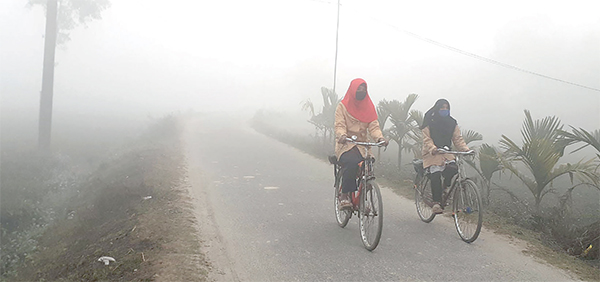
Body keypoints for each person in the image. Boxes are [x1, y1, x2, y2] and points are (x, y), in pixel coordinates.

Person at [334, 78, 388, 209]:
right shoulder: (342, 106)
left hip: (363, 146)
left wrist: (380, 138)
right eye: (358, 89)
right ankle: (345, 195)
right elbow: (339, 125)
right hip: (346, 144)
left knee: (368, 168)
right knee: (351, 162)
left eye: (363, 90)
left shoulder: (369, 107)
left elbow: (374, 127)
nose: (361, 92)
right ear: (352, 90)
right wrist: (342, 135)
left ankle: (361, 198)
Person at [420, 99, 471, 214]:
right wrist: (433, 149)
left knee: (453, 168)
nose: (444, 110)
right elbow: (426, 139)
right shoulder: (429, 121)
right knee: (436, 173)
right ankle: (436, 203)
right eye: (442, 108)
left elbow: (457, 138)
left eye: (446, 108)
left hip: (446, 152)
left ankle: (445, 187)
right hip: (431, 152)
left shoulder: (452, 122)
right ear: (437, 109)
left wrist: (465, 149)